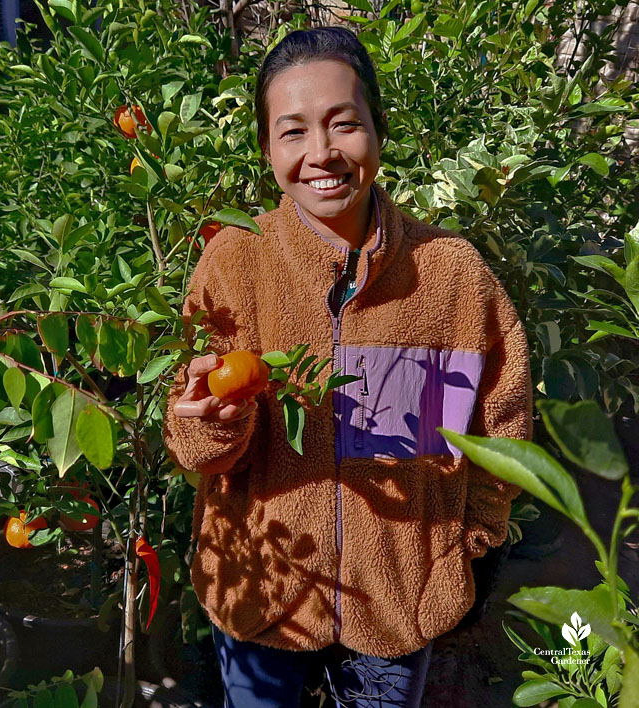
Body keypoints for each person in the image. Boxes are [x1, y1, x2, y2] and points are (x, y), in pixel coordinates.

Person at [162, 25, 532, 708]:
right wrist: (206, 427)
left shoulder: (448, 275)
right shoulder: (233, 265)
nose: (321, 154)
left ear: (379, 131)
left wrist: (466, 539)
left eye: (343, 124)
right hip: (261, 592)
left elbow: (499, 422)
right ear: (268, 148)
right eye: (293, 132)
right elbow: (196, 447)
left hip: (399, 603)